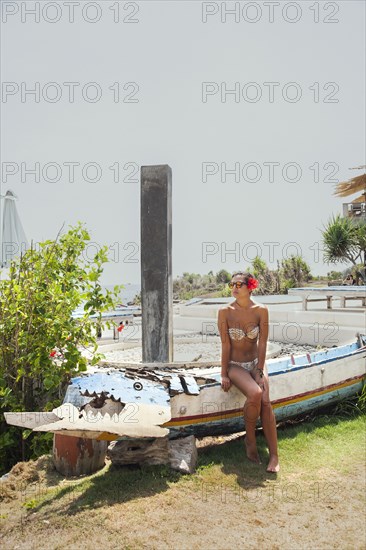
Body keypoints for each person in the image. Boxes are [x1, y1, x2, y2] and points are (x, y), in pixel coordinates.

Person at [218, 271, 280, 473]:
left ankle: (274, 456)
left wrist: (260, 370)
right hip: (235, 365)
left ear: (249, 287)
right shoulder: (225, 312)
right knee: (255, 393)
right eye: (232, 284)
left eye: (239, 284)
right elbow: (225, 345)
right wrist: (223, 373)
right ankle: (250, 440)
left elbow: (262, 343)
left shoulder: (261, 310)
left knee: (265, 401)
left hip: (255, 363)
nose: (234, 288)